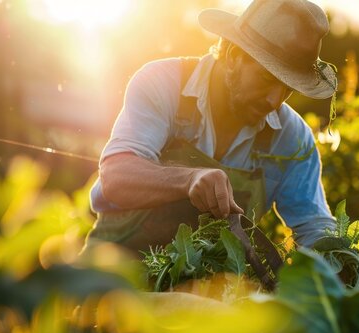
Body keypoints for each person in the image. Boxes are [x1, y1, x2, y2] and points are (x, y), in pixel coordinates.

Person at [85, 0, 338, 253]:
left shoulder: (292, 138)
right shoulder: (162, 84)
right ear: (232, 56)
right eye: (266, 78)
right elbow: (116, 177)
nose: (275, 100)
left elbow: (314, 227)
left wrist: (345, 259)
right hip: (115, 272)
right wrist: (188, 178)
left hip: (210, 286)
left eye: (288, 88)